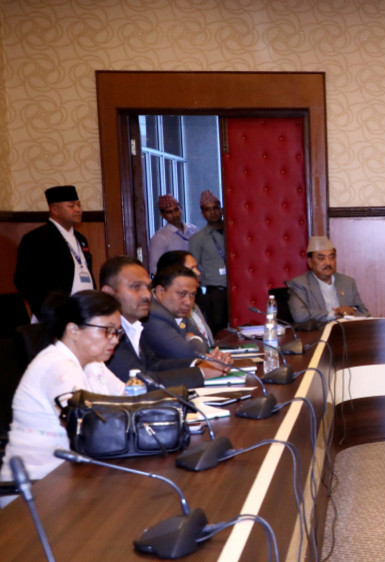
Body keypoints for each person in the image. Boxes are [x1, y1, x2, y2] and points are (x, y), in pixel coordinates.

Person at [0, 291, 125, 505]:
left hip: (76, 475)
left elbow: (128, 400)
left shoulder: (94, 364)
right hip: (36, 486)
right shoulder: (57, 366)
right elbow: (90, 428)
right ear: (73, 330)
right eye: (107, 331)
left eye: (117, 332)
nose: (114, 339)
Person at [100, 256, 227, 387]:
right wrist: (202, 373)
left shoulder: (134, 325)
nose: (146, 295)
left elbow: (154, 365)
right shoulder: (105, 333)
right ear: (108, 293)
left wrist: (200, 364)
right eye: (136, 287)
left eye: (147, 287)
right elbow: (138, 383)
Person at [14, 185, 95, 319]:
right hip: (54, 315)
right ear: (55, 210)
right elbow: (24, 280)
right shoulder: (36, 238)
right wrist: (45, 311)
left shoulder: (81, 239)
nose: (78, 209)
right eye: (71, 206)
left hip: (85, 310)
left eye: (79, 205)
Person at [141, 265, 218, 361]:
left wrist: (191, 340)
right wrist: (193, 339)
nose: (188, 302)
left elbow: (205, 346)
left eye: (192, 295)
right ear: (160, 292)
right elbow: (186, 355)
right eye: (182, 294)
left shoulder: (177, 309)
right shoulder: (152, 313)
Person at [286, 236, 370, 322]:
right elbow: (299, 315)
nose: (328, 262)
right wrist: (334, 314)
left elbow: (365, 313)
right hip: (319, 330)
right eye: (321, 258)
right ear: (310, 262)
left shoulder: (347, 282)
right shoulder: (300, 284)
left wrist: (352, 311)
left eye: (331, 257)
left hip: (346, 329)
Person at [188, 190, 228, 334]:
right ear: (203, 214)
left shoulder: (234, 231)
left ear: (221, 209)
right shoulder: (198, 238)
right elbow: (193, 267)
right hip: (215, 291)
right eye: (208, 210)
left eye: (215, 208)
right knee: (219, 330)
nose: (213, 212)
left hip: (237, 289)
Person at [148, 195, 198, 274]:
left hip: (196, 275)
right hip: (175, 278)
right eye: (169, 212)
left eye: (176, 210)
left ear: (181, 209)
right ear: (162, 215)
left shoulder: (193, 229)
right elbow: (155, 269)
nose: (174, 214)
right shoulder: (159, 238)